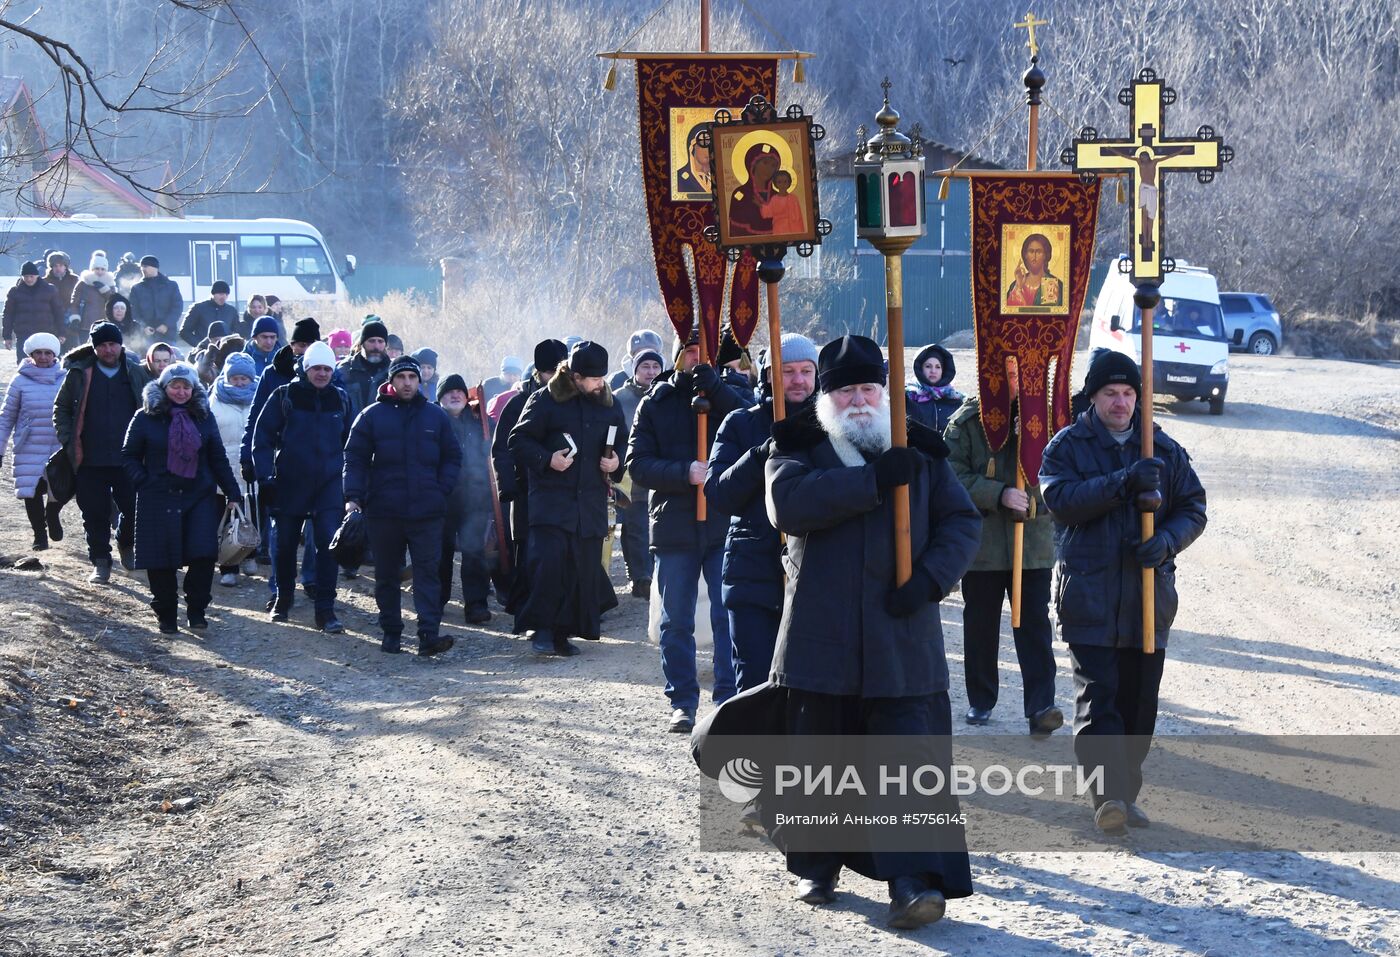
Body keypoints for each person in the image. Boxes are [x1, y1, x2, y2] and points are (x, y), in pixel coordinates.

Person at [762, 334, 981, 926]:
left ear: (884, 392)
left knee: (904, 758)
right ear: (827, 398)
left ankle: (912, 883)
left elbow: (962, 522)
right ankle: (819, 864)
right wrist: (872, 482)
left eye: (868, 388)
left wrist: (931, 580)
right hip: (821, 633)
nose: (859, 400)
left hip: (900, 632)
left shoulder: (922, 450)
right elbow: (789, 505)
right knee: (824, 756)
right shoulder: (797, 445)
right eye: (846, 390)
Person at [1039, 349, 1207, 834]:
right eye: (1111, 393)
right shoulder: (1067, 447)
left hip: (1147, 599)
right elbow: (1060, 501)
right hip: (1089, 597)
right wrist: (1121, 483)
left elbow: (1193, 507)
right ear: (1093, 397)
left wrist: (1166, 542)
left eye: (1130, 393)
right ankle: (1106, 795)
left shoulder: (1164, 450)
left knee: (1139, 704)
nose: (1121, 402)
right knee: (1099, 698)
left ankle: (1126, 795)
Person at [625, 331, 749, 732]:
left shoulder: (730, 397)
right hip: (675, 525)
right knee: (675, 617)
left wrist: (718, 391)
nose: (697, 359)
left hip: (722, 521)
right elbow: (638, 463)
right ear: (678, 356)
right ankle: (682, 699)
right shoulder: (656, 402)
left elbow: (753, 432)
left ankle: (728, 698)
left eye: (704, 352)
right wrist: (684, 472)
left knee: (725, 613)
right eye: (690, 352)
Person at [944, 363, 1061, 732]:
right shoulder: (966, 423)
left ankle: (1041, 705)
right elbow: (950, 475)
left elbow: (1064, 475)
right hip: (983, 546)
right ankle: (981, 699)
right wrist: (997, 494)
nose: (1013, 382)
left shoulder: (1048, 421)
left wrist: (1032, 500)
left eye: (1019, 374)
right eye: (1005, 374)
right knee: (980, 625)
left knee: (1034, 627)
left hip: (1032, 545)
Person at [704, 333, 818, 692]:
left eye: (805, 371)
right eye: (787, 371)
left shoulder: (830, 428)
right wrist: (759, 454)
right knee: (754, 687)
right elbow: (718, 494)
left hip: (813, 579)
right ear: (768, 374)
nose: (797, 380)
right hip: (751, 574)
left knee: (805, 688)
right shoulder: (740, 423)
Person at [509, 341, 626, 655]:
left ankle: (563, 634)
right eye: (593, 378)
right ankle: (541, 630)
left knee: (580, 571)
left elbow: (623, 441)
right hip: (552, 502)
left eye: (602, 377)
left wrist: (616, 464)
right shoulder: (545, 399)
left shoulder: (608, 401)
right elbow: (518, 440)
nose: (600, 383)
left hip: (589, 504)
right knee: (549, 567)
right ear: (575, 376)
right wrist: (548, 459)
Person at [343, 354, 462, 656]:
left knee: (427, 573)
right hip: (384, 512)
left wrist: (441, 489)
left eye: (412, 378)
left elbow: (452, 456)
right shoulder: (371, 416)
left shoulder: (436, 417)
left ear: (419, 381)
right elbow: (354, 458)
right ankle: (391, 633)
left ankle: (428, 635)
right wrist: (353, 497)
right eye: (401, 378)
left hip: (427, 511)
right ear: (391, 381)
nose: (407, 383)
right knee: (386, 574)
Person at [122, 363, 242, 633]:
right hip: (158, 496)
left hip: (198, 495)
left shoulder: (204, 417)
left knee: (203, 555)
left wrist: (232, 492)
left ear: (194, 389)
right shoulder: (144, 417)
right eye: (175, 386)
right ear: (164, 388)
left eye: (186, 386)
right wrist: (144, 481)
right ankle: (166, 614)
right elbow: (128, 456)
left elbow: (218, 458)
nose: (180, 391)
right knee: (160, 559)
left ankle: (197, 611)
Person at [253, 341, 350, 633]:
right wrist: (265, 477)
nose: (321, 374)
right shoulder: (284, 395)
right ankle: (283, 599)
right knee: (284, 545)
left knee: (328, 546)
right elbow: (263, 438)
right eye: (316, 368)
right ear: (305, 368)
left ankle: (326, 610)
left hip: (330, 484)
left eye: (326, 369)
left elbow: (352, 444)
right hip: (290, 481)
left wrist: (353, 484)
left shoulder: (342, 400)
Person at [54, 320, 150, 582]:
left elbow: (150, 408)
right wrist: (68, 439)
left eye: (113, 344)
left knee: (134, 509)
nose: (108, 350)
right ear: (94, 347)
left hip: (128, 459)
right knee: (93, 512)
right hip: (89, 459)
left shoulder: (135, 372)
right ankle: (100, 560)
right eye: (103, 345)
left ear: (121, 345)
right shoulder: (79, 374)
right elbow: (61, 409)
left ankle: (126, 543)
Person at [241, 317, 323, 595]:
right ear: (292, 344)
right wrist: (247, 456)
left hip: (318, 462)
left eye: (310, 344)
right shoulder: (274, 373)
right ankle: (279, 583)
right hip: (281, 458)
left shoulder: (326, 374)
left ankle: (311, 578)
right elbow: (256, 419)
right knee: (282, 528)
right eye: (300, 344)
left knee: (315, 530)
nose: (304, 349)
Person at [492, 339, 567, 624]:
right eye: (550, 373)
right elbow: (501, 448)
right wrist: (508, 485)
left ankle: (558, 621)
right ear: (539, 372)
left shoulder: (572, 401)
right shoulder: (518, 403)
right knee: (527, 556)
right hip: (526, 492)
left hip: (562, 493)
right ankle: (527, 617)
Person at [437, 374, 496, 625]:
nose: (455, 395)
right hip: (442, 498)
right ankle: (436, 602)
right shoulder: (433, 421)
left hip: (475, 497)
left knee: (474, 553)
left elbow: (492, 450)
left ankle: (476, 604)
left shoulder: (479, 422)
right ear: (440, 399)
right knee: (441, 552)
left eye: (459, 392)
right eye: (449, 392)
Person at [0, 332, 65, 549]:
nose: (44, 357)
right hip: (29, 444)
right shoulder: (20, 381)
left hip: (58, 444)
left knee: (59, 488)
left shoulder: (65, 378)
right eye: (39, 352)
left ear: (54, 355)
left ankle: (52, 515)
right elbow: (7, 417)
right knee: (33, 490)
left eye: (48, 353)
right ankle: (39, 534)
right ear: (31, 354)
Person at [612, 347, 663, 596]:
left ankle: (658, 573)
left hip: (661, 469)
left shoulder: (667, 394)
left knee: (658, 524)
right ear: (635, 370)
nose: (651, 372)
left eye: (655, 367)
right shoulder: (619, 398)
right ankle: (640, 576)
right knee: (635, 526)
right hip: (629, 471)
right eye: (645, 367)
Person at [209, 351, 258, 587]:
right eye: (235, 378)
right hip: (223, 468)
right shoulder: (214, 398)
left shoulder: (260, 397)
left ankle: (250, 554)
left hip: (251, 469)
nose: (239, 383)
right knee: (225, 518)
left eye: (244, 379)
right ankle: (228, 566)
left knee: (251, 515)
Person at [4, 261, 65, 362]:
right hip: (23, 335)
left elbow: (58, 312)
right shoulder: (15, 292)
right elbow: (8, 314)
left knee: (48, 364)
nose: (28, 279)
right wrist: (7, 336)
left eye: (31, 276)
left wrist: (61, 333)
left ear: (37, 276)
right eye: (26, 276)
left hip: (46, 334)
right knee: (24, 366)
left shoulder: (49, 289)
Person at [337, 317, 391, 420]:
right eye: (371, 341)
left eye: (380, 341)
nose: (376, 346)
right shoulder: (345, 370)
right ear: (362, 343)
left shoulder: (393, 372)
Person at [906, 343, 963, 433]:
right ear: (920, 369)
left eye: (938, 367)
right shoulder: (908, 397)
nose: (933, 371)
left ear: (943, 371)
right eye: (928, 366)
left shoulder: (955, 400)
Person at [728, 142, 781, 236]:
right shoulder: (740, 194)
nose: (769, 169)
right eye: (765, 163)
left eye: (773, 166)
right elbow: (735, 231)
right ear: (753, 164)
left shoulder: (778, 196)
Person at [128, 256, 182, 342]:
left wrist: (166, 324)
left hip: (167, 334)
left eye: (146, 266)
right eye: (141, 267)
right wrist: (143, 327)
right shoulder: (136, 288)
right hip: (146, 336)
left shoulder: (171, 286)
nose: (143, 269)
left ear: (155, 267)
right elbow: (134, 311)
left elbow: (177, 307)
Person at [69, 250, 117, 343]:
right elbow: (74, 303)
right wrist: (75, 318)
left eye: (102, 269)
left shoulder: (110, 284)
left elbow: (114, 302)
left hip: (105, 323)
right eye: (97, 268)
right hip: (85, 324)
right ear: (92, 269)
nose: (100, 271)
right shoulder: (83, 283)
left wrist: (105, 290)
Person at [1005, 233, 1063, 309]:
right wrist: (1018, 289)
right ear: (1025, 255)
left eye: (1039, 252)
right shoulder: (1015, 285)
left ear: (1045, 255)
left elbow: (1050, 314)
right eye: (1031, 251)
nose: (1034, 256)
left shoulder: (1052, 283)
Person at [178, 281, 239, 349]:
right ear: (213, 294)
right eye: (220, 294)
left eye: (226, 294)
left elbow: (236, 332)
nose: (224, 297)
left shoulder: (231, 311)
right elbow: (184, 331)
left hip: (224, 351)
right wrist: (200, 345)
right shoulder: (199, 308)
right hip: (203, 351)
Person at [42, 252, 78, 336]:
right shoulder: (44, 281)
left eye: (61, 265)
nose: (58, 268)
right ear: (51, 267)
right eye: (55, 266)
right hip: (51, 321)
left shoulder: (74, 280)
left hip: (70, 321)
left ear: (65, 266)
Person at [758, 169, 805, 234]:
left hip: (791, 228)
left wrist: (798, 233)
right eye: (779, 182)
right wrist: (759, 205)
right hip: (778, 228)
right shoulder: (774, 199)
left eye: (785, 181)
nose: (782, 185)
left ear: (789, 183)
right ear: (775, 184)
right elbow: (769, 211)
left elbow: (797, 217)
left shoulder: (793, 199)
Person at [675, 122, 715, 197]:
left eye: (713, 144)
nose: (709, 149)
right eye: (704, 143)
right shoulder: (679, 178)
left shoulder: (721, 177)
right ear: (692, 147)